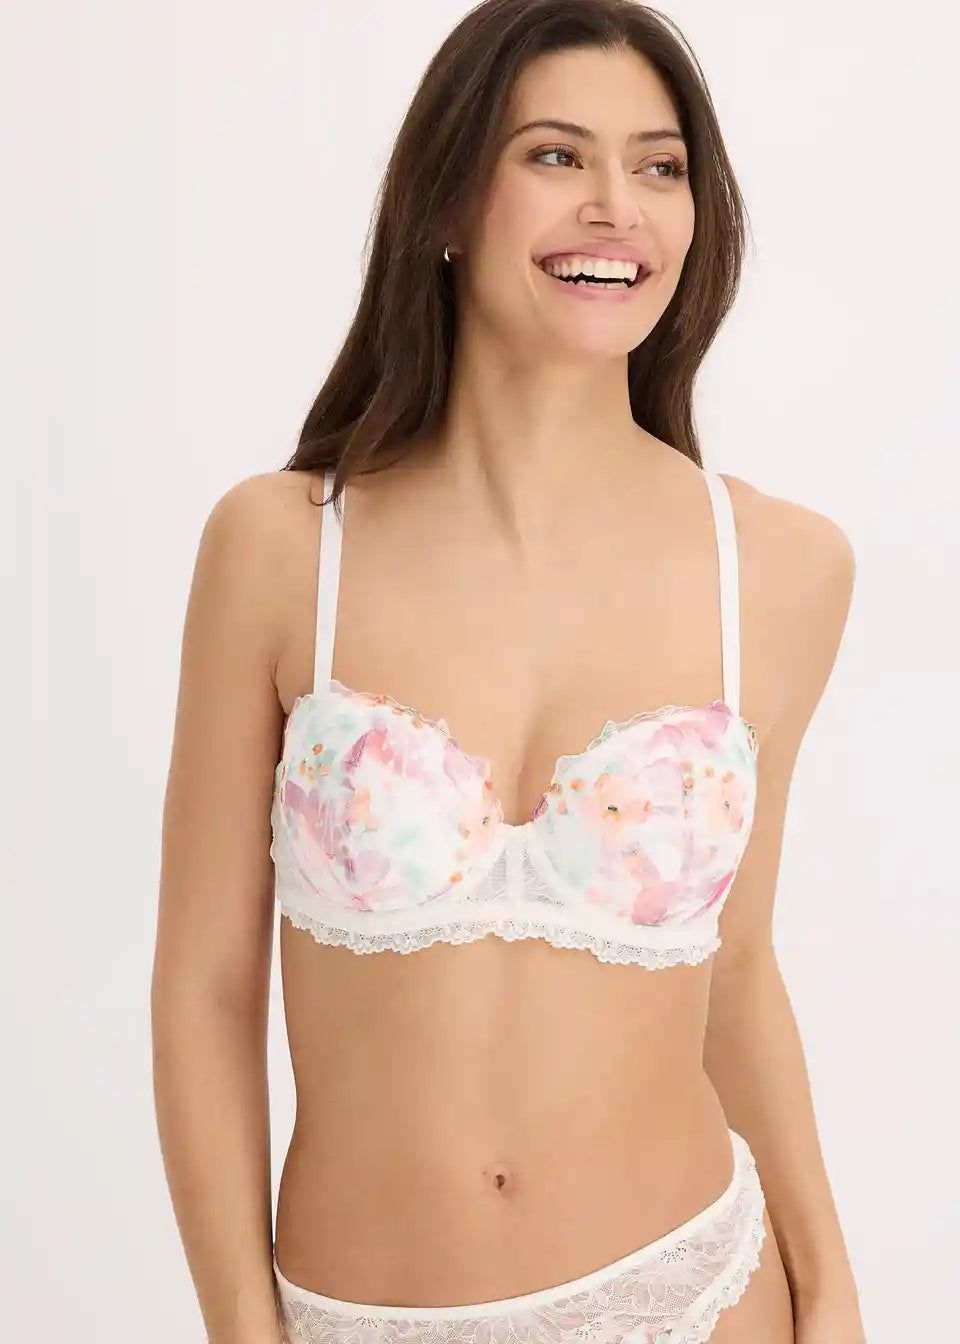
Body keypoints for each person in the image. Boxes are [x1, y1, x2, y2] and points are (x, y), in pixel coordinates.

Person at [151, 2, 866, 1341]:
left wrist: (830, 1288)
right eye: (555, 154)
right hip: (359, 1309)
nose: (616, 207)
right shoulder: (284, 547)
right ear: (446, 200)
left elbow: (735, 967)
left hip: (696, 1291)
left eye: (660, 166)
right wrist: (242, 1327)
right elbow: (205, 987)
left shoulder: (778, 567)